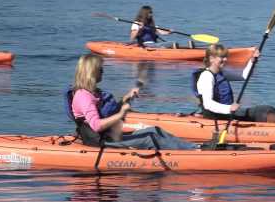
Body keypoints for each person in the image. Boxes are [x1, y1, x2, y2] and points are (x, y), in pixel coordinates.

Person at [66, 54, 198, 150]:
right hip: (100, 142)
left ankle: (195, 147)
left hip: (109, 136)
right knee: (149, 138)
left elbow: (107, 114)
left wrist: (126, 98)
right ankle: (195, 152)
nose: (103, 71)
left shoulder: (94, 92)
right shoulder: (84, 96)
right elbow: (96, 125)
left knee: (155, 130)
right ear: (92, 72)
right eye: (100, 69)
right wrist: (120, 114)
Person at [192, 44, 275, 125]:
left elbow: (244, 76)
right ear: (211, 59)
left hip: (226, 113)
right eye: (222, 57)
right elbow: (208, 104)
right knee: (262, 111)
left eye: (226, 56)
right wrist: (229, 109)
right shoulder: (206, 77)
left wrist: (252, 60)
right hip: (217, 116)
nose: (226, 59)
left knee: (267, 107)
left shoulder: (221, 73)